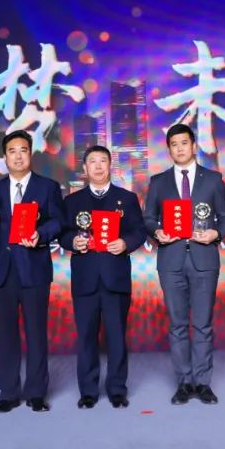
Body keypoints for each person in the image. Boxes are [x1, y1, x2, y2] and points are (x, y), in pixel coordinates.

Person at [143, 123, 225, 405]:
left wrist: (215, 234)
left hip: (204, 258)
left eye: (184, 143)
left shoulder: (213, 179)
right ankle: (184, 382)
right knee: (178, 324)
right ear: (169, 149)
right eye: (174, 144)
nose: (180, 148)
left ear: (194, 146)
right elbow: (148, 218)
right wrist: (157, 231)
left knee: (203, 324)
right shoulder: (159, 182)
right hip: (171, 260)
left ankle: (203, 383)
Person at [0, 130, 66, 413]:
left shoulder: (47, 187)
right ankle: (8, 392)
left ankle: (36, 392)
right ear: (5, 157)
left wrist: (40, 235)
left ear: (31, 154)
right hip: (1, 271)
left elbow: (58, 221)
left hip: (34, 268)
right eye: (12, 151)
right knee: (4, 334)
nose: (17, 156)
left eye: (23, 150)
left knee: (36, 333)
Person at [58, 145, 146, 409]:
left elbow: (139, 231)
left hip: (115, 276)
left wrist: (125, 243)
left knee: (116, 335)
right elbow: (62, 233)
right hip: (85, 277)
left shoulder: (126, 198)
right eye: (92, 162)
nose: (97, 166)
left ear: (110, 166)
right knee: (86, 336)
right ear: (85, 168)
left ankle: (117, 388)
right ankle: (88, 390)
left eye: (102, 161)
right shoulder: (72, 201)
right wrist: (73, 241)